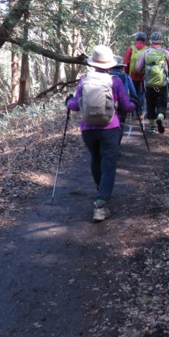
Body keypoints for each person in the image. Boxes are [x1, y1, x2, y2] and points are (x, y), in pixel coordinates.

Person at [66, 45, 136, 221]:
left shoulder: (84, 80)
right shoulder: (116, 81)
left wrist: (68, 101)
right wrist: (135, 104)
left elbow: (75, 106)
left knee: (96, 159)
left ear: (93, 64)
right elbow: (127, 107)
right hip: (110, 128)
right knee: (109, 164)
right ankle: (101, 203)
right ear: (110, 64)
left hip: (88, 129)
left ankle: (100, 191)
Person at [134, 31, 169, 134]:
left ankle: (151, 126)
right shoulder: (165, 53)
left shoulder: (146, 52)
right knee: (162, 104)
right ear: (161, 42)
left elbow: (138, 68)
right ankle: (160, 117)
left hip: (149, 84)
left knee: (150, 104)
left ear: (151, 41)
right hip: (162, 84)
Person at [109, 56, 141, 147]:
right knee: (120, 125)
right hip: (122, 105)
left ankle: (107, 147)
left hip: (107, 105)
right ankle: (116, 147)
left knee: (108, 126)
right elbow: (133, 92)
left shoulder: (106, 76)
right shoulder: (126, 77)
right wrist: (135, 103)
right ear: (122, 67)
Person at [122, 32, 148, 101]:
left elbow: (126, 63)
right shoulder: (147, 49)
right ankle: (140, 110)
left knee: (132, 94)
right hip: (143, 77)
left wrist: (127, 74)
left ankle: (133, 109)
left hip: (132, 77)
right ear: (144, 40)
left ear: (136, 39)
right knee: (141, 94)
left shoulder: (131, 49)